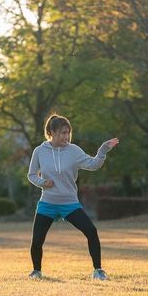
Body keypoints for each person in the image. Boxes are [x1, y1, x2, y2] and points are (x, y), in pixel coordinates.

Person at [27, 114, 119, 281]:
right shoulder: (40, 151)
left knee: (91, 231)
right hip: (47, 203)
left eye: (68, 132)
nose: (66, 136)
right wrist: (42, 182)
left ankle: (98, 271)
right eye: (62, 132)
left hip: (69, 204)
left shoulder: (73, 150)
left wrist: (103, 150)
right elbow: (31, 175)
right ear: (51, 132)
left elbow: (93, 164)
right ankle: (36, 272)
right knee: (37, 240)